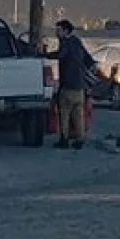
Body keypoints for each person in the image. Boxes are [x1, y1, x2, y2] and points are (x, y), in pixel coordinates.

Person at [47, 20, 97, 150]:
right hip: (80, 86)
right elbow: (89, 60)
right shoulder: (77, 42)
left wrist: (45, 54)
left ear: (65, 30)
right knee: (79, 114)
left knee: (64, 113)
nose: (56, 33)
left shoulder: (66, 43)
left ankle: (64, 139)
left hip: (68, 85)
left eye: (58, 30)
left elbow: (61, 55)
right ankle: (80, 138)